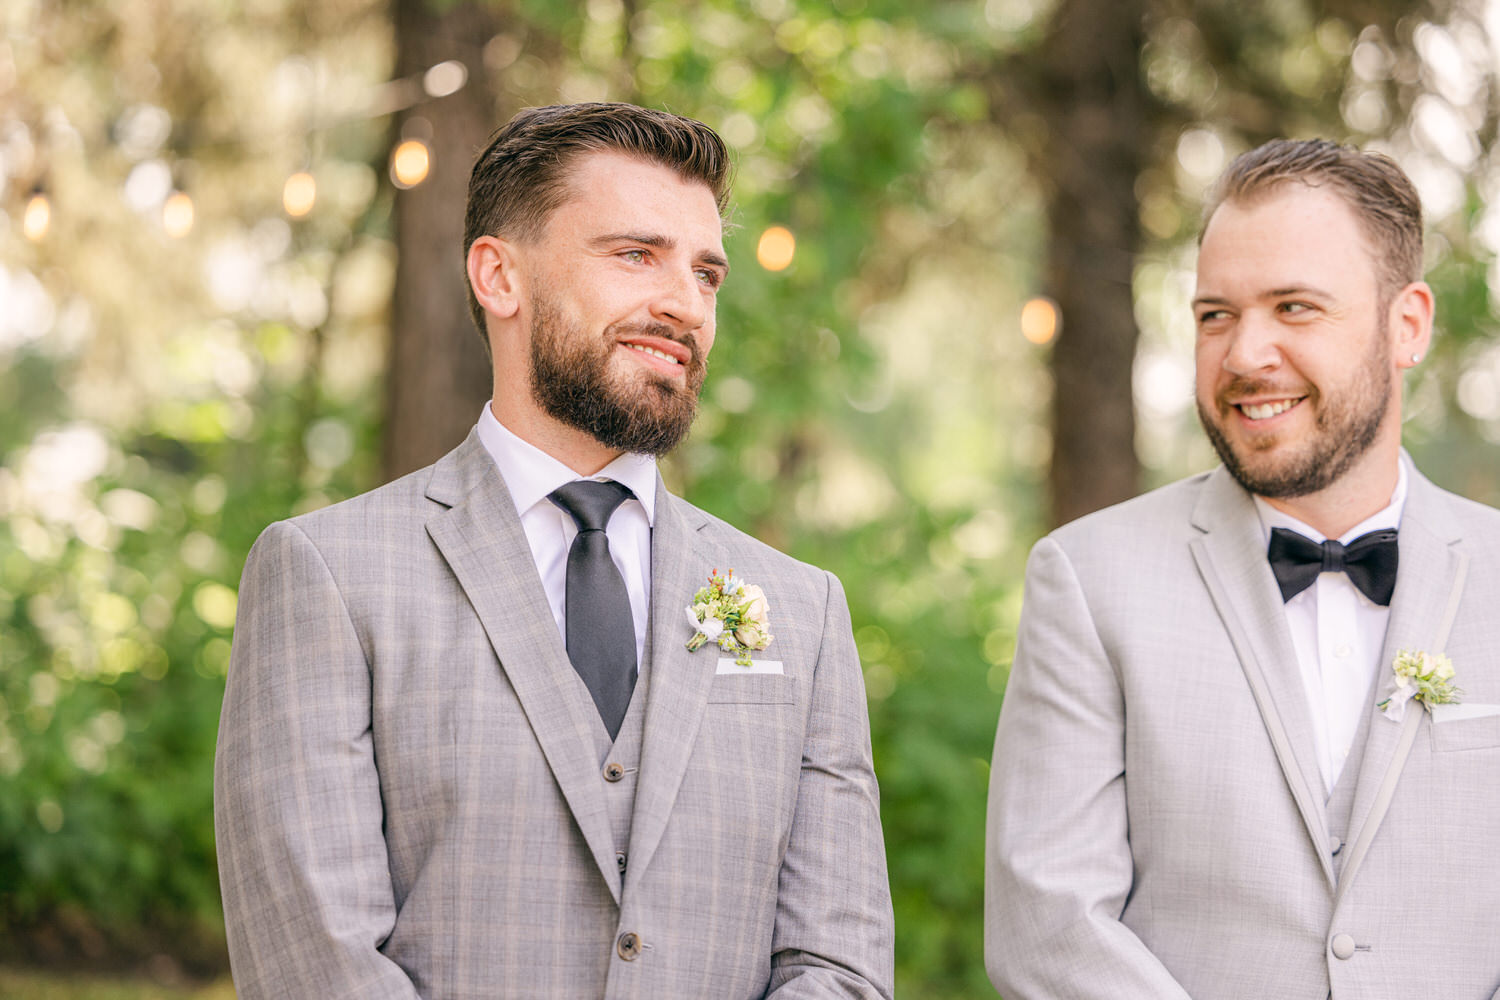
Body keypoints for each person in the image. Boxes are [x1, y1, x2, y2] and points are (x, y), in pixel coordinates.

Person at [215, 102, 893, 1000]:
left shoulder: (801, 612)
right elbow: (314, 962)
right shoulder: (328, 576)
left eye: (706, 274)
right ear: (499, 276)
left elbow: (837, 967)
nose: (685, 303)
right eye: (635, 255)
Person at [985, 137, 1500, 999]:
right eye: (1215, 315)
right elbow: (1050, 929)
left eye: (1293, 307)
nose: (1243, 355)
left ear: (1406, 325)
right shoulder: (1087, 579)